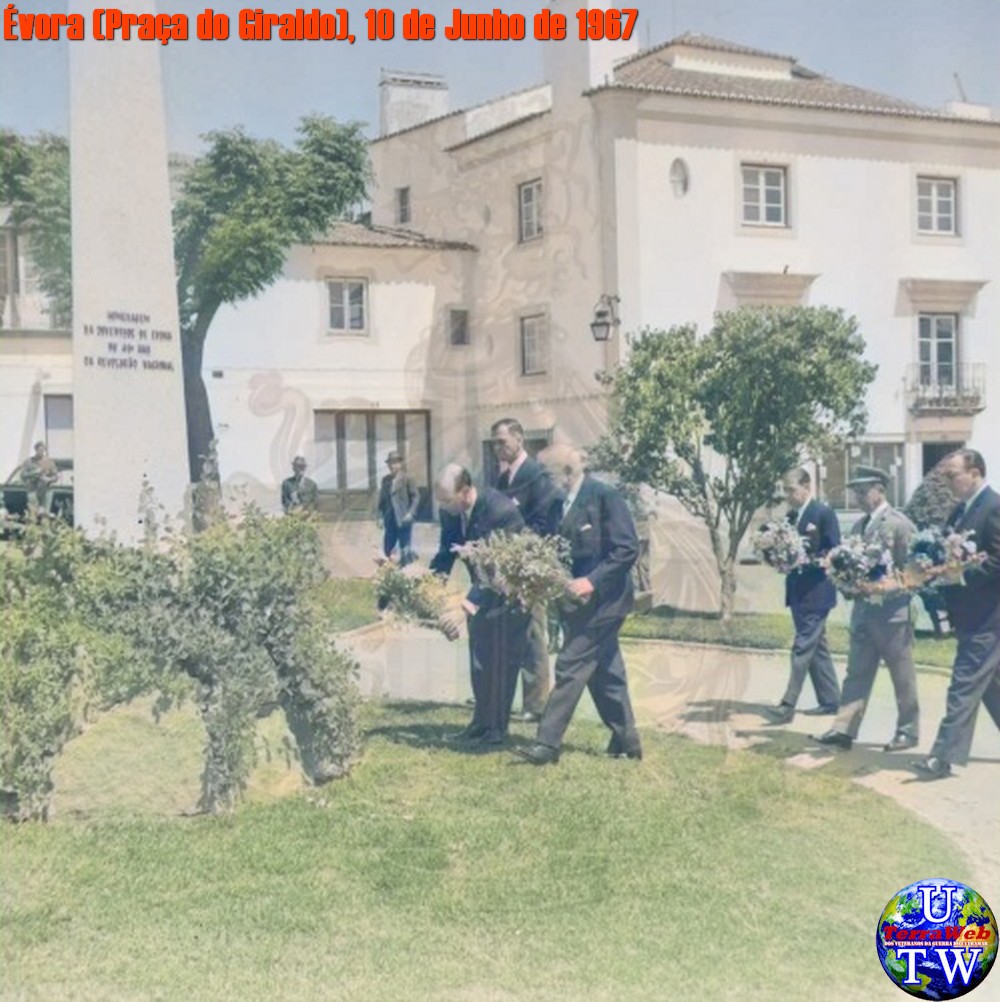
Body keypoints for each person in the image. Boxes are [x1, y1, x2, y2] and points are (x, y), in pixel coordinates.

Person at [517, 444, 642, 765]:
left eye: (546, 475)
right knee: (606, 673)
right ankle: (627, 740)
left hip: (607, 602)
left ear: (568, 472)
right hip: (578, 604)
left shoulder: (604, 496)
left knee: (570, 665)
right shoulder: (556, 505)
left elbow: (627, 549)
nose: (542, 482)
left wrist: (592, 581)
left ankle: (547, 744)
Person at [813, 466, 920, 752]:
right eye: (855, 492)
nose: (858, 498)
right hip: (863, 612)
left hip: (893, 614)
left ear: (880, 490)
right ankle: (843, 729)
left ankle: (907, 731)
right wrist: (847, 584)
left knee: (902, 676)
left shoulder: (899, 524)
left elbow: (914, 571)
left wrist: (886, 587)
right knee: (857, 672)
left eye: (863, 492)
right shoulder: (859, 527)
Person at [913, 449, 1000, 780]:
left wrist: (960, 576)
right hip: (970, 615)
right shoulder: (958, 512)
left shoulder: (993, 507)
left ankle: (942, 756)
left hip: (988, 617)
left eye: (952, 475)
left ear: (974, 472)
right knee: (990, 686)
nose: (947, 482)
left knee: (963, 684)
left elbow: (997, 561)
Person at [431, 463, 531, 747]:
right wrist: (429, 589)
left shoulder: (501, 511)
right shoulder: (451, 512)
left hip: (510, 596)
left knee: (500, 666)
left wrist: (465, 608)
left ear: (465, 492)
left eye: (447, 500)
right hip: (482, 593)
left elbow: (497, 571)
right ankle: (480, 724)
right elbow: (445, 554)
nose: (442, 508)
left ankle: (496, 730)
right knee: (479, 663)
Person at [491, 418, 560, 721]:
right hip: (507, 568)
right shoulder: (502, 478)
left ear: (519, 439)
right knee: (512, 633)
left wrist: (519, 550)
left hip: (529, 566)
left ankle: (537, 704)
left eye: (502, 442)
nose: (497, 448)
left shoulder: (536, 476)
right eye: (494, 443)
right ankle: (510, 698)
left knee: (532, 634)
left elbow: (543, 523)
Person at [767, 468, 841, 724]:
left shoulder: (823, 513)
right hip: (798, 592)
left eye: (791, 490)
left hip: (817, 592)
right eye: (785, 490)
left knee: (802, 647)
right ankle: (831, 700)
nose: (788, 495)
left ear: (806, 486)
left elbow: (834, 552)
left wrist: (807, 561)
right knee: (816, 648)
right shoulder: (791, 517)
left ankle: (788, 704)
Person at [377, 450, 420, 565]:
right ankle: (387, 572)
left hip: (403, 519)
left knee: (405, 548)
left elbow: (416, 497)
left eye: (395, 463)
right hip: (389, 520)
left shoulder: (408, 478)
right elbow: (382, 500)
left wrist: (410, 513)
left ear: (400, 464)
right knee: (387, 549)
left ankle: (407, 570)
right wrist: (380, 517)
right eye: (390, 464)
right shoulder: (385, 480)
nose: (392, 466)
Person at [19, 441, 59, 514]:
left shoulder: (49, 462)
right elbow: (22, 475)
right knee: (34, 512)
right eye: (39, 450)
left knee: (45, 513)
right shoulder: (29, 462)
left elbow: (56, 477)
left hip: (46, 490)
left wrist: (48, 479)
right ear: (35, 450)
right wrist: (34, 472)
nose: (41, 451)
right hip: (33, 490)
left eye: (43, 450)